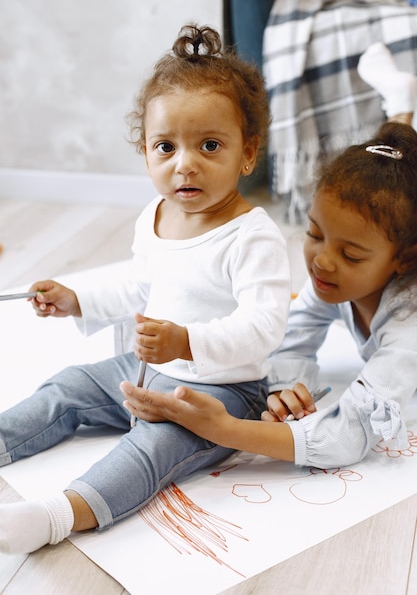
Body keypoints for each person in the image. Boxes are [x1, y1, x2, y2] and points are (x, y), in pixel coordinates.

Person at [0, 24, 291, 554]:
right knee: (67, 388)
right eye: (166, 146)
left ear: (247, 155)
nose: (186, 163)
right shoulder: (155, 215)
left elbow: (264, 327)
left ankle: (62, 514)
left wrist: (186, 343)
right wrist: (77, 298)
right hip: (148, 371)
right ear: (146, 152)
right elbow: (138, 282)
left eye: (209, 145)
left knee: (153, 447)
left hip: (222, 391)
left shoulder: (253, 236)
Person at [121, 45, 417, 469]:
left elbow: (347, 438)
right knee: (398, 172)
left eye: (351, 254)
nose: (322, 262)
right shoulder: (332, 279)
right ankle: (401, 107)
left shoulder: (409, 327)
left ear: (403, 260)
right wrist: (286, 389)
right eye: (314, 234)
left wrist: (224, 428)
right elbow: (292, 339)